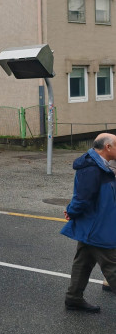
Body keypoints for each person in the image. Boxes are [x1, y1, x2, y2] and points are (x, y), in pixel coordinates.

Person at [61, 133, 116, 313]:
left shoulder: (102, 164)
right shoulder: (92, 168)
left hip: (94, 224)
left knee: (83, 261)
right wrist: (71, 211)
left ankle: (74, 298)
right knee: (112, 266)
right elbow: (82, 198)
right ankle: (74, 298)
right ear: (108, 147)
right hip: (97, 227)